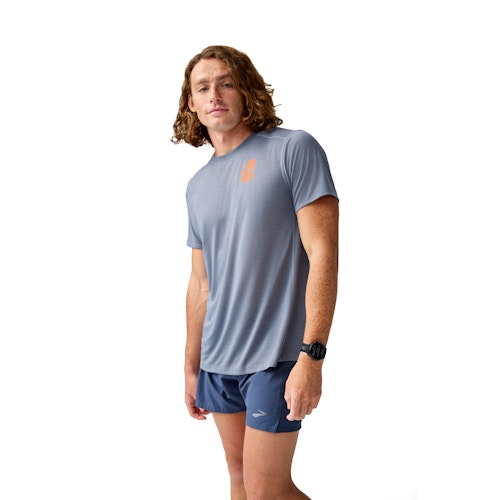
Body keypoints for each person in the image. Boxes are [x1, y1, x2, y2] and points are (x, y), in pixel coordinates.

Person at [172, 45, 339, 499]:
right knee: (241, 481)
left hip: (276, 356)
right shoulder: (197, 185)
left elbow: (323, 254)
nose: (214, 95)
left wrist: (312, 355)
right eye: (202, 88)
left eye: (226, 83)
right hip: (217, 361)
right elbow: (201, 284)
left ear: (246, 90)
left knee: (268, 491)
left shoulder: (293, 149)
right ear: (191, 103)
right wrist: (191, 365)